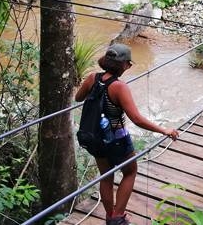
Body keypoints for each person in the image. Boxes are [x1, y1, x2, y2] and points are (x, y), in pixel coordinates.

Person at [75, 44, 179, 225]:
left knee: (106, 175)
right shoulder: (119, 87)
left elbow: (78, 98)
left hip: (94, 138)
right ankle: (118, 217)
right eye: (128, 64)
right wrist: (164, 130)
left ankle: (110, 217)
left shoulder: (92, 78)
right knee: (130, 172)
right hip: (116, 139)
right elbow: (137, 119)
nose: (128, 67)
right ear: (123, 65)